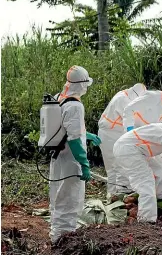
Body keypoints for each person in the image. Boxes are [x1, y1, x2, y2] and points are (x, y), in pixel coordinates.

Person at [50, 65, 100, 243]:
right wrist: (84, 164)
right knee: (70, 199)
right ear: (81, 85)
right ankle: (64, 240)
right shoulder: (75, 106)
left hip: (57, 156)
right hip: (71, 160)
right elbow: (73, 139)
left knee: (58, 197)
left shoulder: (59, 97)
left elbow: (63, 128)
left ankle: (56, 235)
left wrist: (86, 134)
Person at [122, 85, 162, 200]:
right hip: (135, 134)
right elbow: (128, 110)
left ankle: (159, 197)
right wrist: (129, 129)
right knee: (145, 168)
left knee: (158, 168)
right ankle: (146, 196)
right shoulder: (151, 96)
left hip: (149, 136)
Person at [98, 83, 147, 195]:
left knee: (115, 167)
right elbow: (132, 119)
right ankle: (118, 195)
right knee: (117, 165)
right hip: (110, 135)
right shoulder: (123, 100)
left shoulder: (123, 94)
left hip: (112, 133)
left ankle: (114, 195)